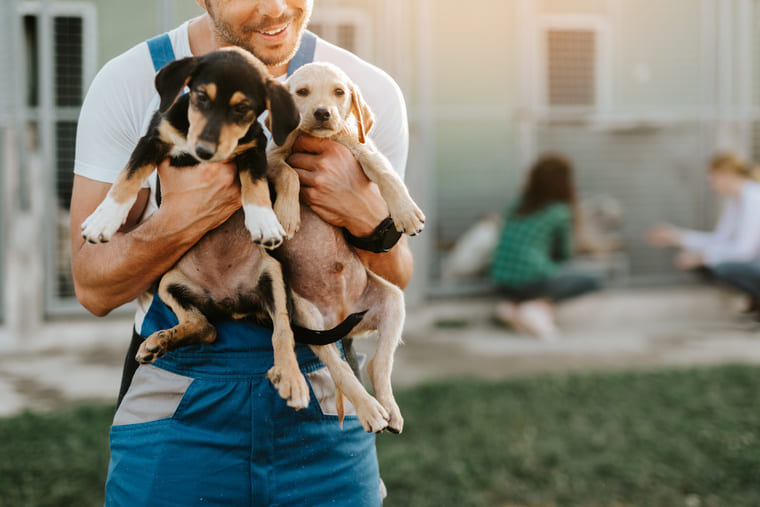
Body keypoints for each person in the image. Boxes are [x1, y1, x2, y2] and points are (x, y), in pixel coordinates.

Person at [69, 1, 413, 505]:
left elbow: (397, 276)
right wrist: (185, 214)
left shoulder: (353, 88)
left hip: (321, 387)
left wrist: (365, 215)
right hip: (181, 401)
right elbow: (92, 288)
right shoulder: (132, 81)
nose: (275, 6)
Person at [489, 154, 601, 340]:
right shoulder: (560, 211)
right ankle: (536, 307)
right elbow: (564, 254)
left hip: (500, 281)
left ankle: (512, 307)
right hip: (532, 283)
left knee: (546, 272)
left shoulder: (517, 204)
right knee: (593, 280)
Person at [647, 152, 760, 312]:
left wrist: (703, 257)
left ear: (726, 174)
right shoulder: (735, 200)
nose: (710, 183)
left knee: (723, 267)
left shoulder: (754, 198)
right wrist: (676, 236)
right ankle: (755, 300)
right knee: (708, 264)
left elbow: (744, 251)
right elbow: (720, 239)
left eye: (713, 177)